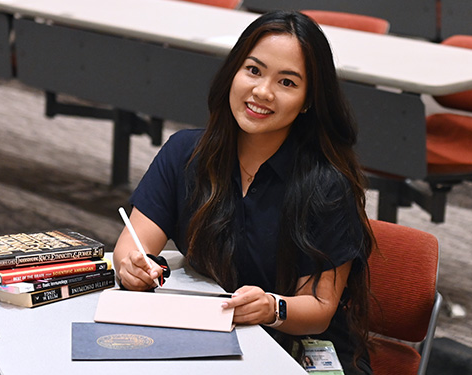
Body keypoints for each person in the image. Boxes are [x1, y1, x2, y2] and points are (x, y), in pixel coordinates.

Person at [113, 10, 374, 374]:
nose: (262, 92)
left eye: (287, 82)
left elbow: (318, 310)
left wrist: (273, 307)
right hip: (215, 340)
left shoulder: (327, 185)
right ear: (233, 71)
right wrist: (133, 268)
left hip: (299, 352)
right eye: (253, 70)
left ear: (309, 99)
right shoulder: (185, 154)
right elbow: (131, 247)